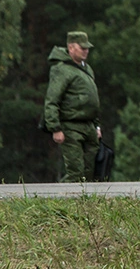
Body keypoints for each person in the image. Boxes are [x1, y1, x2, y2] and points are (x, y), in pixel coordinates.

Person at [43, 31, 101, 182]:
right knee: (76, 172)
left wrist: (97, 126)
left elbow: (92, 100)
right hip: (71, 126)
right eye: (82, 48)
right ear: (71, 47)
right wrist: (55, 128)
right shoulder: (61, 69)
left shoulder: (86, 69)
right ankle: (60, 200)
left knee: (89, 172)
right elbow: (52, 100)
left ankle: (84, 203)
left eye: (87, 48)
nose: (86, 51)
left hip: (88, 126)